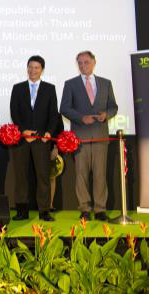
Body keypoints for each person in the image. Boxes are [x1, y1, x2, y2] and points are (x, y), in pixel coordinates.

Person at [60, 51, 118, 221]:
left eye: (86, 62)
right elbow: (64, 108)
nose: (83, 65)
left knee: (101, 174)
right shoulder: (70, 84)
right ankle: (84, 208)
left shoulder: (106, 83)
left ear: (94, 62)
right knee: (81, 174)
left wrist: (106, 115)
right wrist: (80, 117)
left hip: (100, 136)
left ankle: (100, 209)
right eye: (80, 63)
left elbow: (113, 107)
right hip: (80, 137)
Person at [9, 55, 59, 222]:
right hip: (22, 140)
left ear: (42, 70)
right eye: (30, 67)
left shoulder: (50, 89)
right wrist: (23, 131)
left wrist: (49, 133)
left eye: (36, 67)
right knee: (21, 176)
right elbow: (14, 112)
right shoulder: (17, 88)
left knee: (43, 176)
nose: (33, 70)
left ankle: (44, 211)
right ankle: (22, 211)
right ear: (27, 68)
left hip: (41, 140)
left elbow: (53, 114)